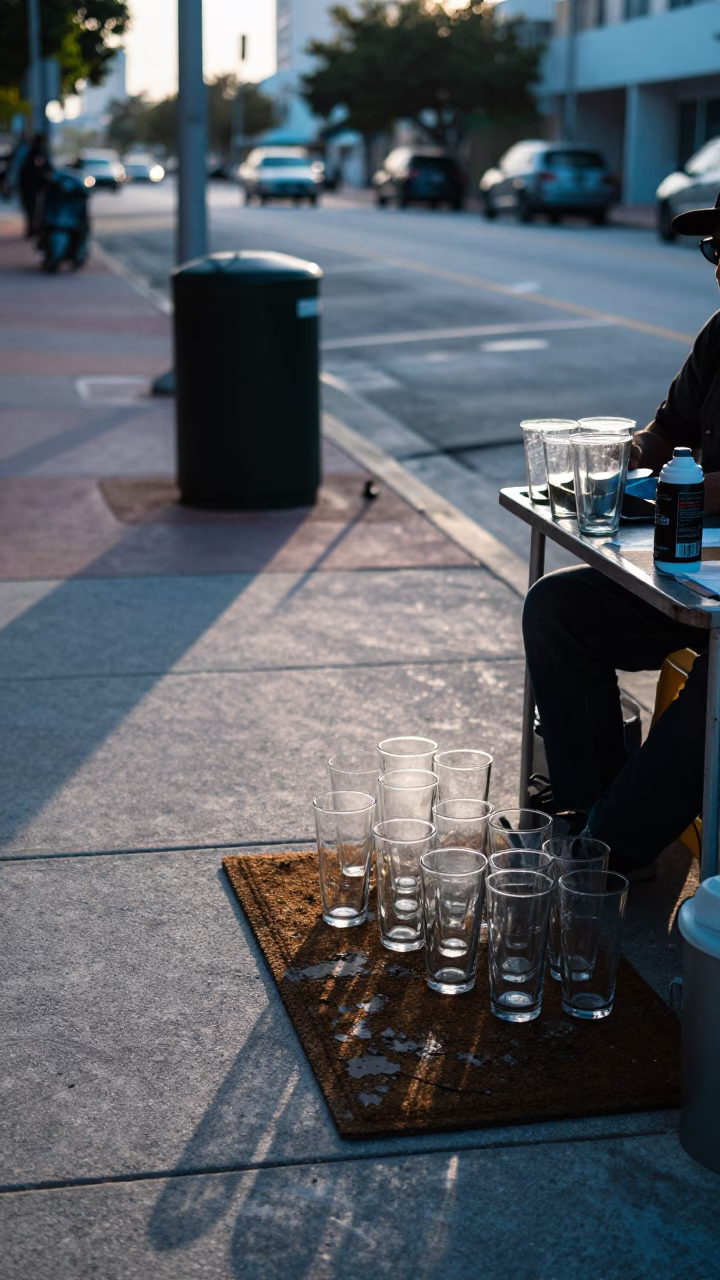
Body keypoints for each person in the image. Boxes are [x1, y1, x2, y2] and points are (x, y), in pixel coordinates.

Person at [523, 192, 720, 878]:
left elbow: (691, 474)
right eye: (715, 248)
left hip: (711, 587)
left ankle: (610, 853)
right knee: (558, 608)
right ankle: (593, 816)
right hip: (695, 571)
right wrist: (594, 460)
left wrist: (682, 485)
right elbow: (665, 437)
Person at [18, 134, 51, 238]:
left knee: (32, 209)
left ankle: (33, 229)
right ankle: (34, 229)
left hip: (31, 186)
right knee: (34, 209)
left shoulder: (28, 153)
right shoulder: (36, 153)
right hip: (34, 186)